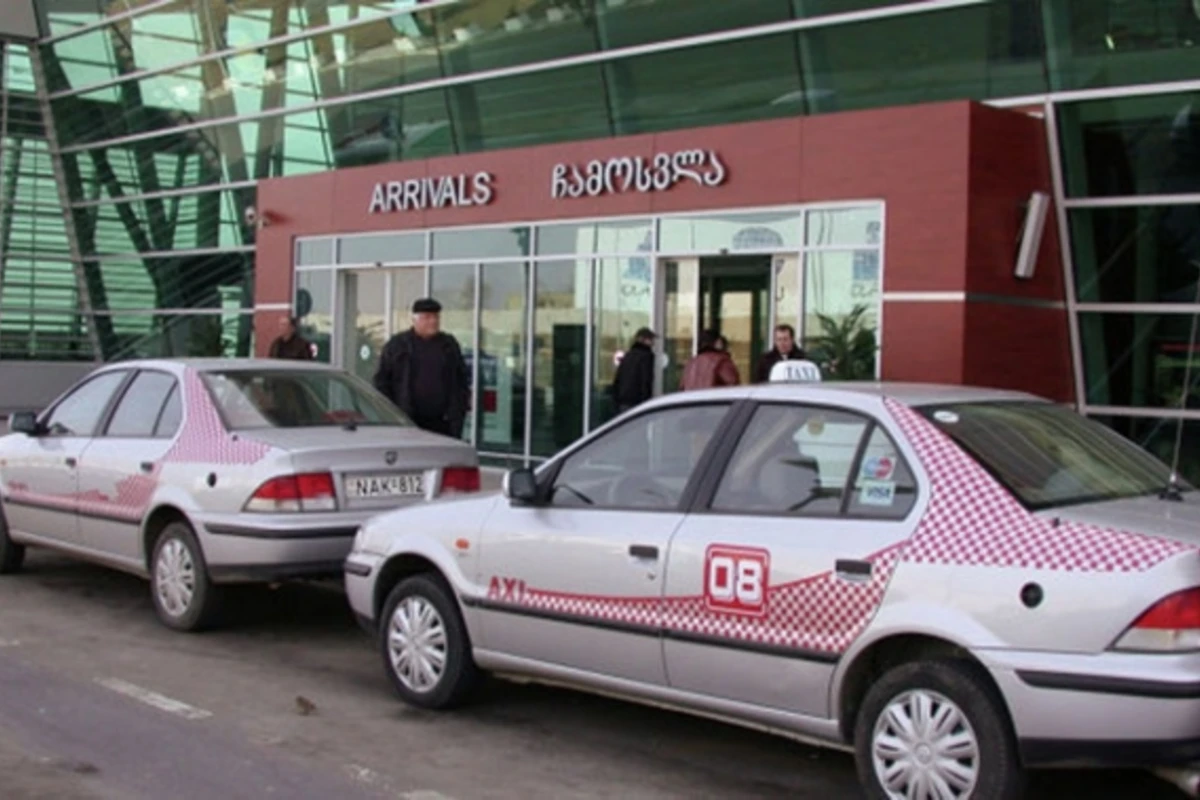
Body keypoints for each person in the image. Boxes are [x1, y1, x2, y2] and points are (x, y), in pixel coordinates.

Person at [373, 297, 470, 438]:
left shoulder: (448, 345)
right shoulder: (399, 345)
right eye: (427, 317)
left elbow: (461, 378)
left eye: (436, 317)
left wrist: (459, 407)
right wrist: (392, 412)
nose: (433, 322)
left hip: (443, 420)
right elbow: (382, 380)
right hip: (408, 419)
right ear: (415, 320)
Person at [610, 327, 657, 414]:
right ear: (643, 340)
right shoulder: (646, 356)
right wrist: (646, 402)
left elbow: (618, 379)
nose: (653, 342)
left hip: (623, 400)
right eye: (650, 339)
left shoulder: (628, 355)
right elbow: (645, 380)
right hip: (637, 401)